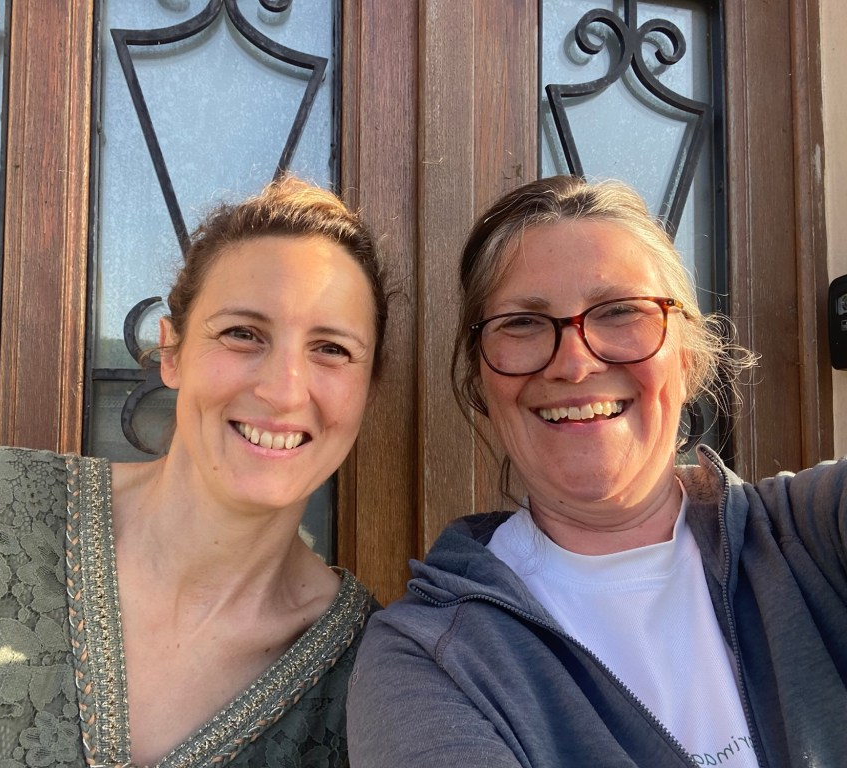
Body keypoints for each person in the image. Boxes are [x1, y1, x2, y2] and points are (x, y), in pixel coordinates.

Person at [0, 176, 387, 767]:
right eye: (242, 334)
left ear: (368, 390)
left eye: (332, 349)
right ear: (172, 353)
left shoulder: (376, 677)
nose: (283, 390)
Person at [347, 175, 847, 767]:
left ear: (686, 358)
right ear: (482, 383)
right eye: (522, 323)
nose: (575, 363)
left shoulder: (818, 533)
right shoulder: (429, 659)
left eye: (620, 311)